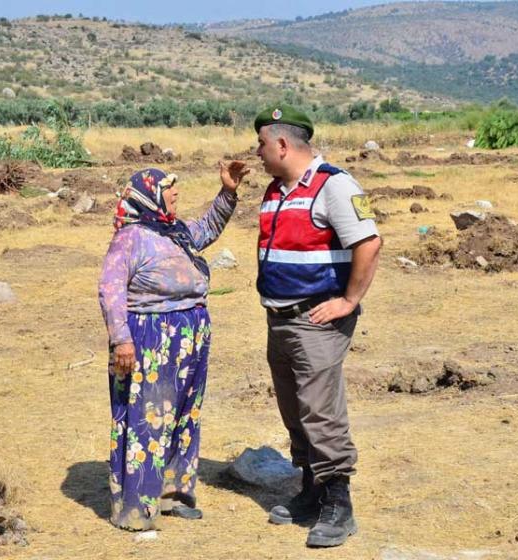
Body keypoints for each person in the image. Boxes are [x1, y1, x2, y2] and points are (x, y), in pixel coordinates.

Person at [253, 104, 382, 548]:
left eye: (262, 145)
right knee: (295, 409)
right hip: (280, 319)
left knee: (321, 412)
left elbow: (368, 241)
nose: (257, 153)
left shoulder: (335, 185)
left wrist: (349, 300)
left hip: (316, 320)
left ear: (283, 144)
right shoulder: (276, 189)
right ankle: (311, 488)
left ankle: (338, 503)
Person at [98, 163, 249, 531]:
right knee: (147, 420)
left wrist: (228, 192)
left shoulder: (175, 232)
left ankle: (174, 495)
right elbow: (110, 289)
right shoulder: (131, 237)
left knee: (184, 416)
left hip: (191, 335)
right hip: (149, 337)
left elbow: (209, 227)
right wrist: (122, 340)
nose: (176, 193)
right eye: (169, 188)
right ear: (149, 196)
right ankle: (137, 509)